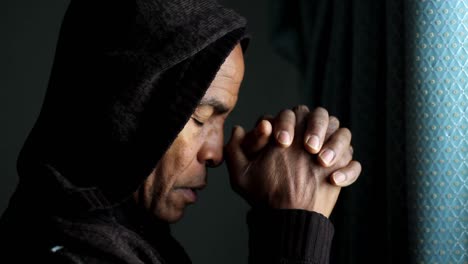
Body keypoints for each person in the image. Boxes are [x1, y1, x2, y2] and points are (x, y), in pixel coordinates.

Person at [0, 0, 361, 263]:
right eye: (201, 118)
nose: (216, 154)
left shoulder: (130, 240)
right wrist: (295, 227)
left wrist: (277, 215)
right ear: (123, 110)